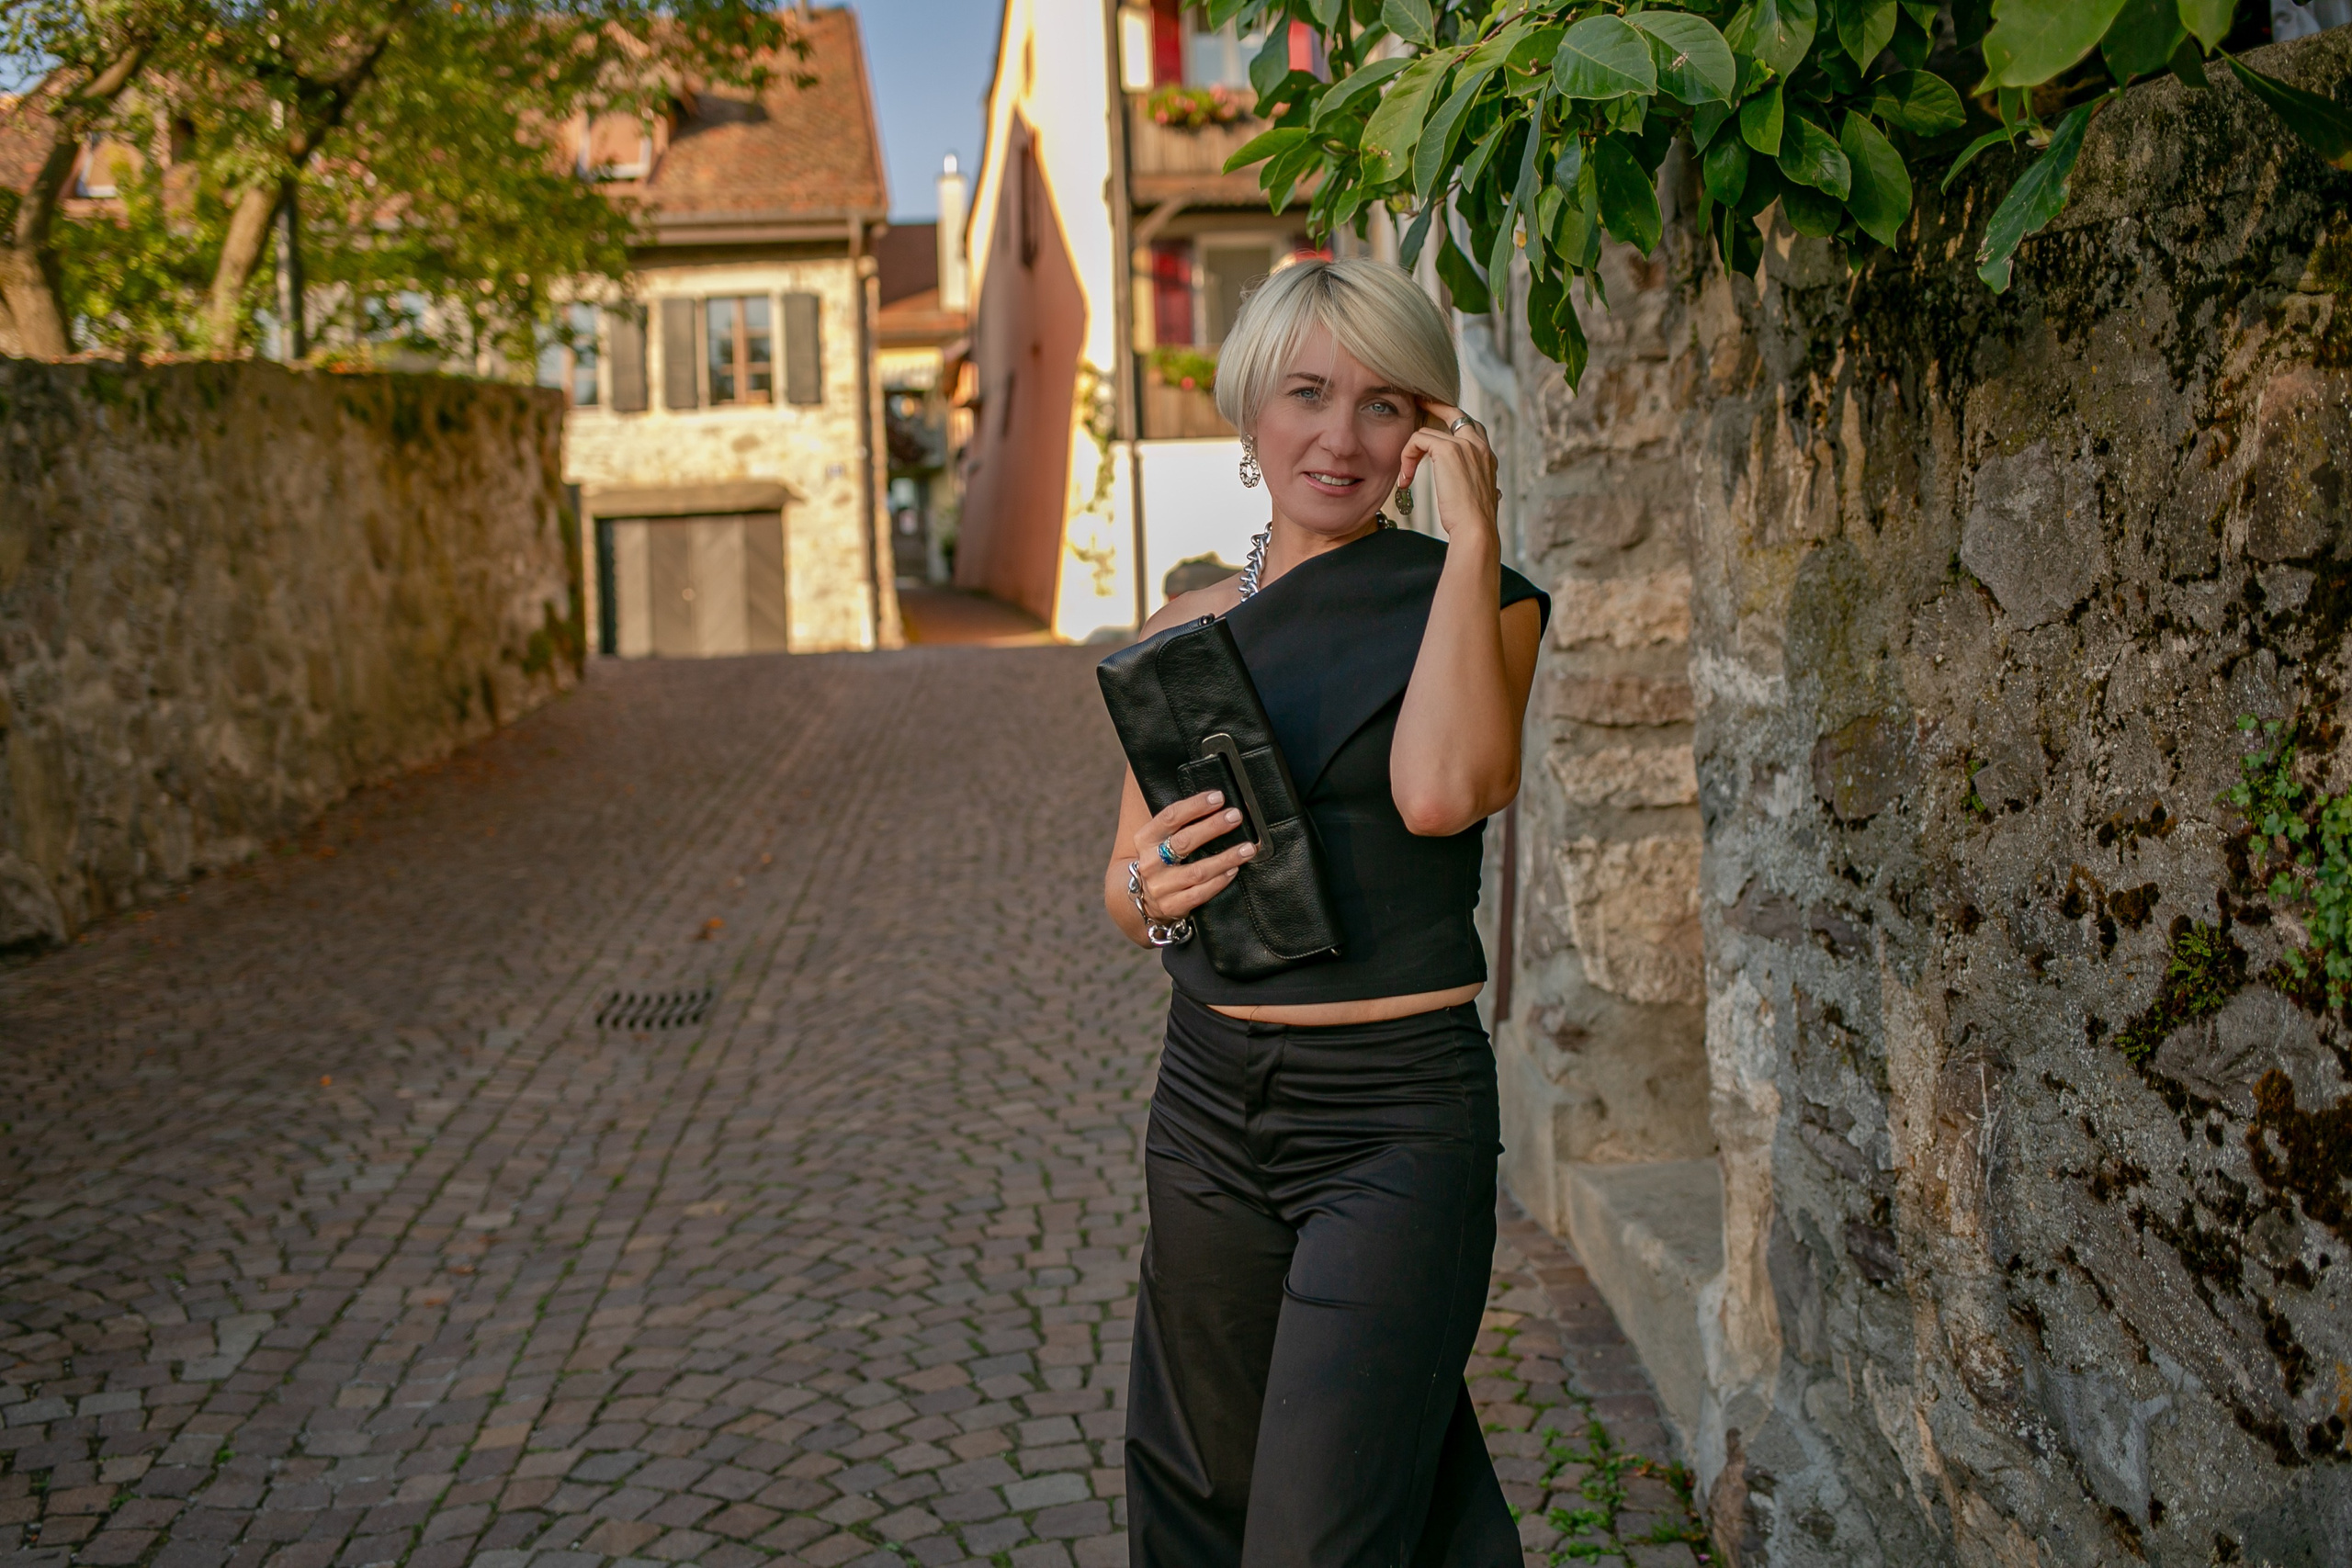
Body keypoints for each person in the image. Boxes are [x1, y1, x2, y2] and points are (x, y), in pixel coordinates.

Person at [1101, 255, 1548, 1566]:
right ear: (1251, 415)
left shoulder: (1482, 602)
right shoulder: (1185, 627)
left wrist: (1472, 541)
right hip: (1209, 1105)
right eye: (1307, 394)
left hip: (1395, 1120)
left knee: (1320, 1535)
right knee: (1199, 1494)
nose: (1341, 439)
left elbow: (1441, 791)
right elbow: (1125, 886)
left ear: (1431, 434)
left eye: (1385, 406)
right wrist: (1150, 889)